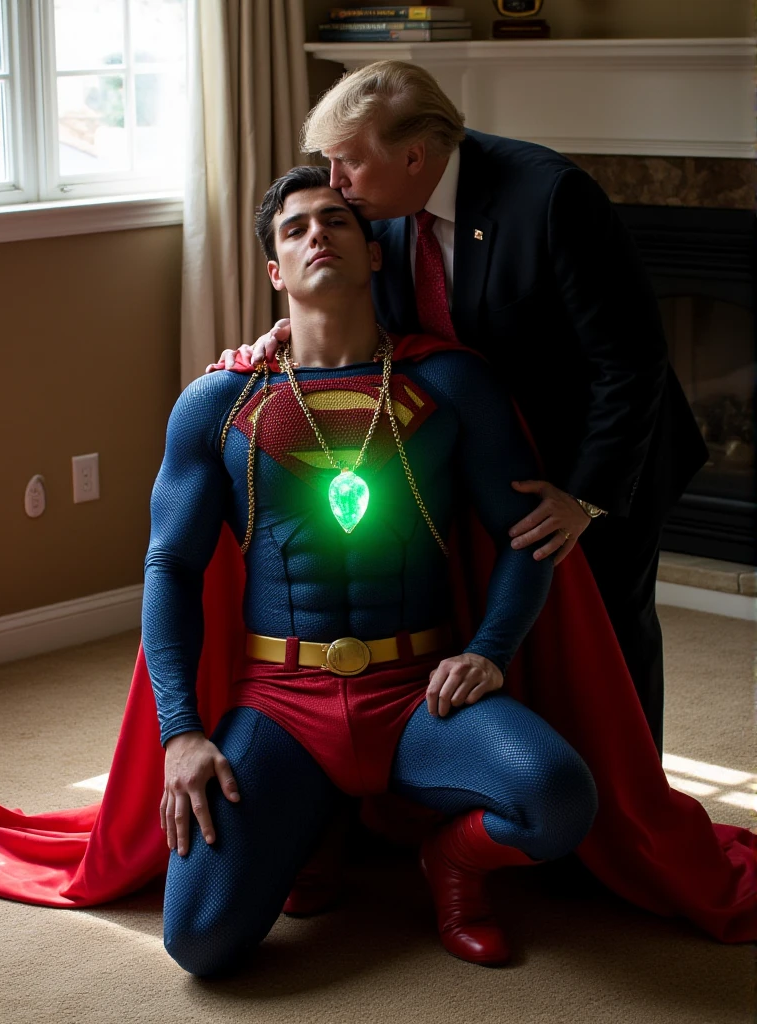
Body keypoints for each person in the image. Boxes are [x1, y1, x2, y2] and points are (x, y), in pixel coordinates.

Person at [145, 165, 598, 976]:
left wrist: (490, 650)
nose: (318, 233)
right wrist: (179, 731)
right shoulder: (218, 402)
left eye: (337, 220)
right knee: (202, 942)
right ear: (276, 272)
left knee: (559, 797)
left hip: (420, 691)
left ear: (376, 253)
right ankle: (312, 825)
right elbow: (171, 567)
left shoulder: (450, 383)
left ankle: (449, 863)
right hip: (280, 701)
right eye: (295, 228)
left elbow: (528, 533)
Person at [216, 61, 709, 756]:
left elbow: (631, 360)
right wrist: (286, 332)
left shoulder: (549, 196)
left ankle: (631, 808)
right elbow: (371, 311)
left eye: (348, 159)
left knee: (609, 640)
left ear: (414, 156)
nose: (335, 179)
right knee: (515, 633)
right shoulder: (377, 212)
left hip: (599, 459)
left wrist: (585, 499)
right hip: (494, 456)